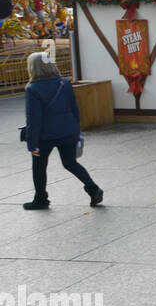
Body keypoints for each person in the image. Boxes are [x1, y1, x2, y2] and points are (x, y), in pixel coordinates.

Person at [23, 47, 102, 210]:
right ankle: (93, 189)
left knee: (39, 166)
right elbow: (75, 109)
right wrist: (76, 129)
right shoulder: (64, 83)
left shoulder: (32, 89)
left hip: (45, 136)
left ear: (33, 68)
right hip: (68, 131)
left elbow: (33, 119)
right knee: (70, 163)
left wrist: (32, 143)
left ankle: (41, 199)